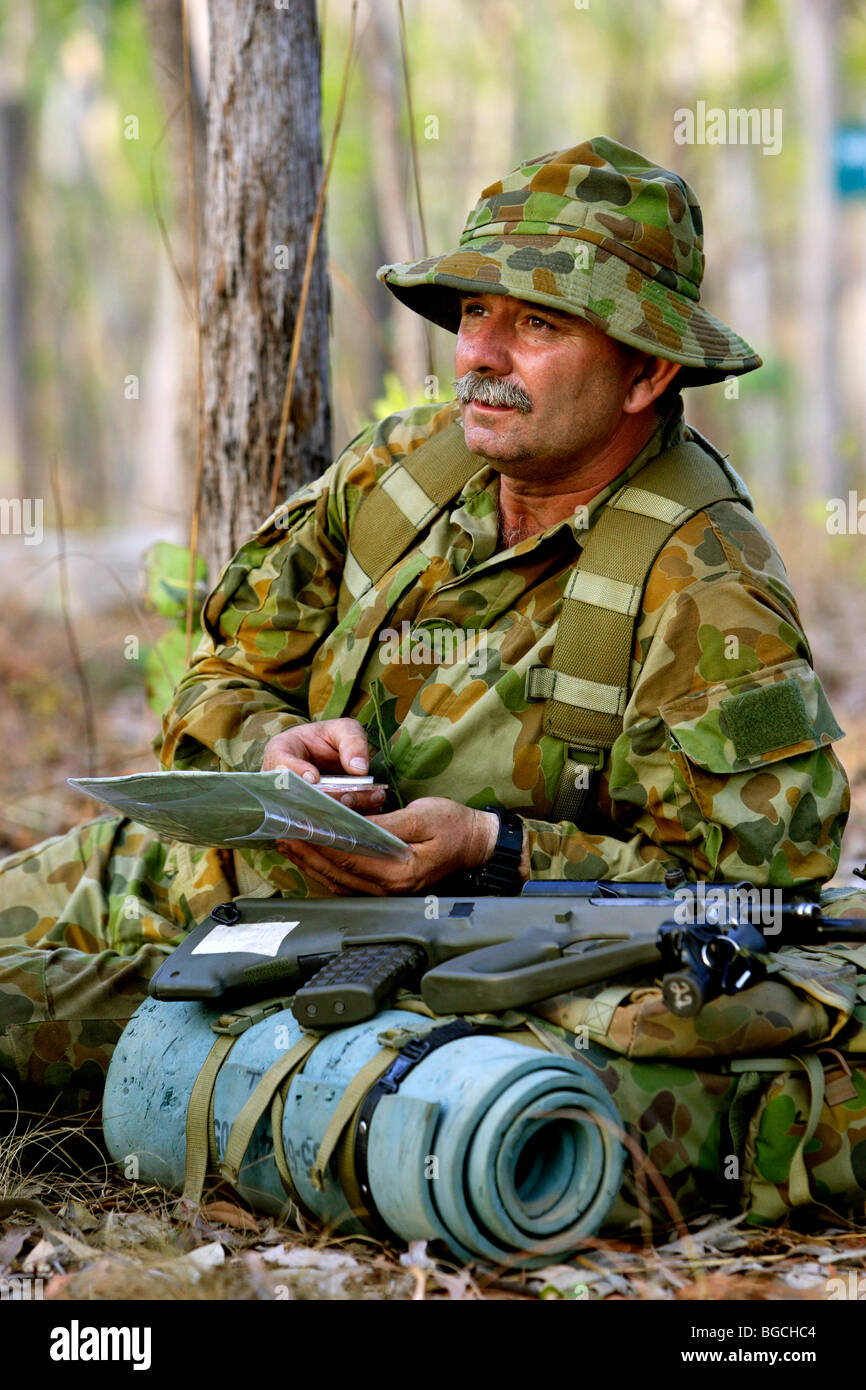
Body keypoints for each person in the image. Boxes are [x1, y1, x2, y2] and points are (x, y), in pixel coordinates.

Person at [0, 137, 850, 1110]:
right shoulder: (403, 472)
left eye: (536, 323)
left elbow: (759, 887)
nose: (482, 354)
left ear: (644, 374)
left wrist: (492, 847)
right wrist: (268, 745)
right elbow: (228, 665)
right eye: (474, 312)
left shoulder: (705, 585)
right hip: (158, 873)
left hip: (337, 974)